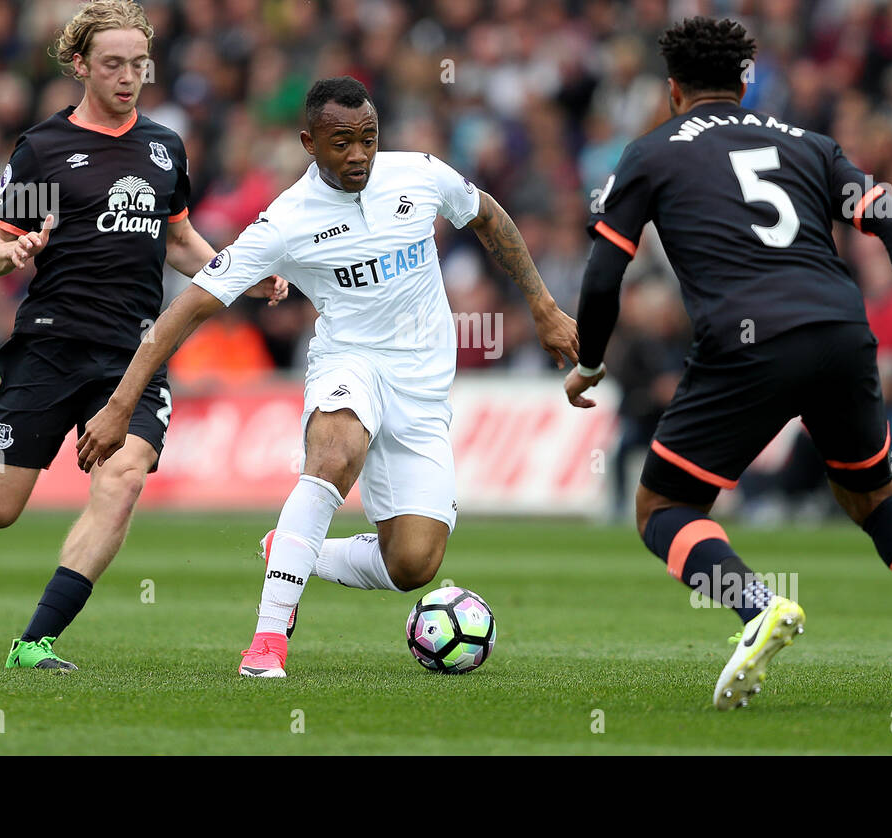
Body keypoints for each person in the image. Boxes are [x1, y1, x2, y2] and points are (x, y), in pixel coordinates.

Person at [564, 17, 892, 710]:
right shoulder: (808, 142)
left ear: (672, 90)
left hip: (747, 343)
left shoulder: (649, 153)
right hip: (839, 331)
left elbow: (600, 276)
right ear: (745, 83)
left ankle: (757, 605)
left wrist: (588, 363)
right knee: (875, 497)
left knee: (663, 505)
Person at [77, 76, 579, 678]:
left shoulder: (419, 174)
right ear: (308, 143)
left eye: (368, 138)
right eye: (342, 143)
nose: (360, 154)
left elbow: (490, 219)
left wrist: (543, 305)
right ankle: (267, 641)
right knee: (335, 453)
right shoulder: (285, 221)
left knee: (413, 564)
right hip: (350, 363)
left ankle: (289, 547)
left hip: (422, 389)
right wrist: (121, 402)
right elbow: (186, 310)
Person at [0, 0, 285, 671]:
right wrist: (12, 252)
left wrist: (239, 274)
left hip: (135, 351)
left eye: (140, 65)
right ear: (81, 64)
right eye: (113, 64)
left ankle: (35, 642)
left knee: (123, 474)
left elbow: (178, 239)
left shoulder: (162, 147)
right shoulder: (45, 149)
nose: (128, 77)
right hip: (50, 344)